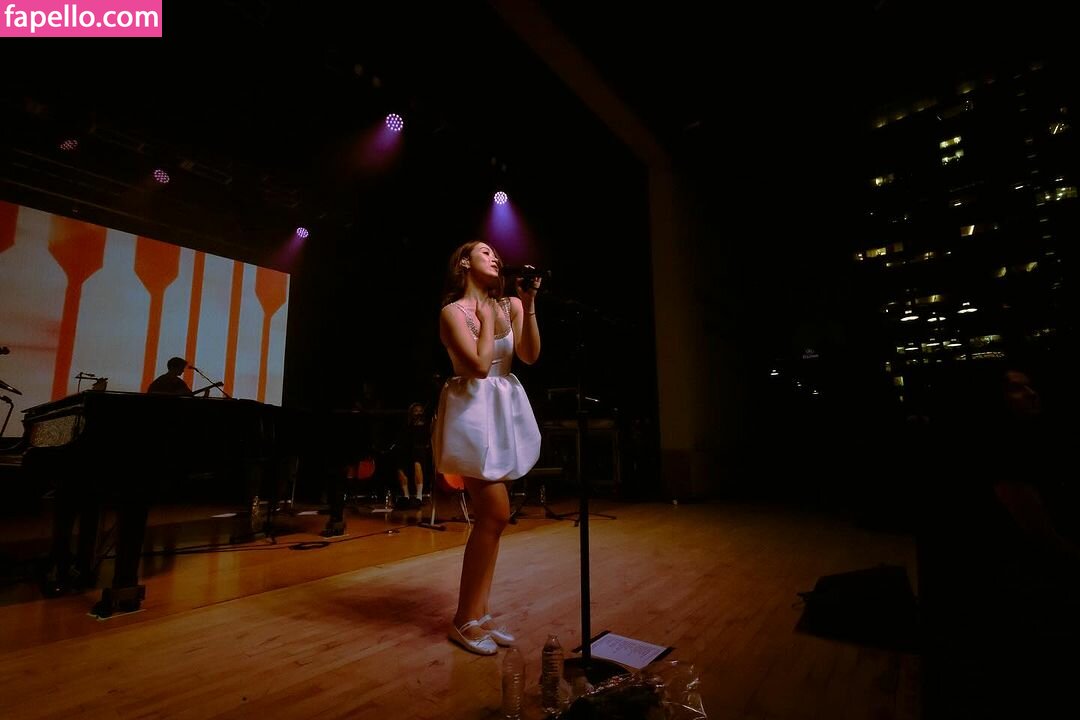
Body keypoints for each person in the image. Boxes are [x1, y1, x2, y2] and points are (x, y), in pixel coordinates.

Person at [433, 240, 542, 655]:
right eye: (484, 252)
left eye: (497, 253)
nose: (495, 257)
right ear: (464, 262)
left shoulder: (509, 305)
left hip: (503, 411)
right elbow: (478, 368)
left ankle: (478, 613)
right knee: (494, 513)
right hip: (472, 414)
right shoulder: (453, 313)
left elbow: (528, 356)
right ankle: (463, 619)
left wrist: (528, 304)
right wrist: (482, 317)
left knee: (493, 522)